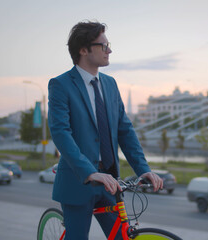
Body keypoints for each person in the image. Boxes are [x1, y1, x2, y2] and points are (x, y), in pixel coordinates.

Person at [48, 21, 163, 240]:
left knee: (122, 237)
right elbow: (61, 132)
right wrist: (89, 172)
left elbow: (125, 130)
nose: (109, 50)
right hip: (79, 180)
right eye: (103, 45)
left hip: (110, 181)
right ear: (84, 50)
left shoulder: (110, 84)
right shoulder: (60, 85)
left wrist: (143, 169)